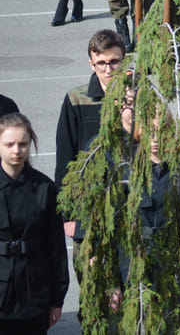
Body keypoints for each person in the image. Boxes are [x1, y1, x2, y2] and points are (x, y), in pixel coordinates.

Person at [55, 30, 126, 283]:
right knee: (92, 282)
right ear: (91, 63)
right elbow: (65, 160)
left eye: (114, 62)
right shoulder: (77, 99)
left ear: (124, 60)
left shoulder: (138, 96)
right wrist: (68, 215)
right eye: (101, 63)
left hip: (129, 203)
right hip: (89, 208)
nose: (108, 70)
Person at [0, 113, 69, 334]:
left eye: (23, 144)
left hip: (33, 292)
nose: (17, 150)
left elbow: (56, 248)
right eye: (9, 144)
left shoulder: (44, 189)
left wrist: (57, 300)